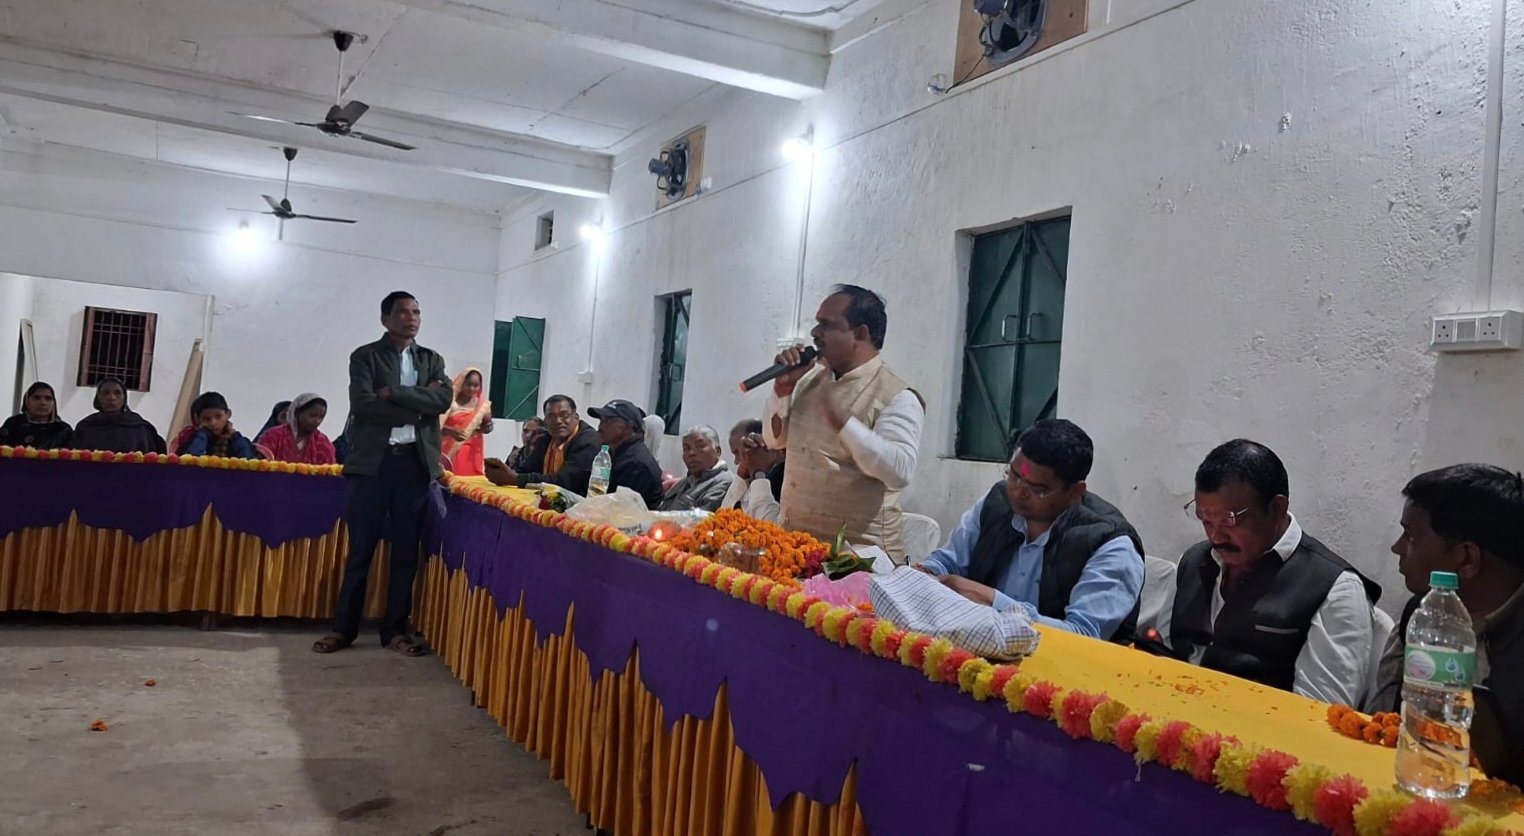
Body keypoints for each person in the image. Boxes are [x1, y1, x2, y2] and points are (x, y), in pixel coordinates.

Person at [1167, 439, 1380, 704]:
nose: (1215, 536)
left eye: (1229, 520)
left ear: (1277, 509)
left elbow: (1318, 712)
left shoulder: (1334, 589)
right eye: (1206, 520)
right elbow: (1166, 657)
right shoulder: (1195, 561)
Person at [917, 419, 1146, 642]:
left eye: (1038, 490)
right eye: (1014, 476)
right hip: (983, 648)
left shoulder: (1111, 545)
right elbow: (949, 561)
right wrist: (924, 573)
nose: (1018, 493)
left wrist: (992, 601)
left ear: (1076, 492)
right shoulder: (998, 502)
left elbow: (1082, 636)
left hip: (1066, 664)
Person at [314, 291, 450, 658]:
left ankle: (395, 632)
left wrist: (395, 393)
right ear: (385, 319)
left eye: (416, 311)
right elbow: (364, 406)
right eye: (403, 312)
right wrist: (416, 408)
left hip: (413, 466)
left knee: (405, 553)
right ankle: (343, 629)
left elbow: (442, 401)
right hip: (372, 466)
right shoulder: (366, 357)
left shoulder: (431, 359)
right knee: (361, 550)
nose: (412, 318)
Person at [1368, 464, 1524, 756]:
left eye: (1410, 537)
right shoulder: (1420, 615)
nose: (1396, 548)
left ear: (1467, 559)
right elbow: (1380, 727)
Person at [765, 285, 924, 561]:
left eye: (826, 325)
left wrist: (841, 422)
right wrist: (782, 389)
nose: (815, 333)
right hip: (796, 547)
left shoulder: (897, 395)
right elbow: (774, 441)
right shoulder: (809, 381)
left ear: (860, 334)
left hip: (859, 560)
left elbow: (899, 471)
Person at [484, 395, 598, 495]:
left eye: (564, 415)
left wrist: (516, 479)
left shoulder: (588, 440)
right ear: (546, 422)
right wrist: (502, 473)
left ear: (576, 417)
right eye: (551, 417)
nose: (558, 421)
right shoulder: (545, 438)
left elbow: (565, 481)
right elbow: (525, 469)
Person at [585, 399, 663, 508]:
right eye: (601, 420)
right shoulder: (613, 453)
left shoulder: (636, 464)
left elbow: (621, 511)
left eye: (609, 420)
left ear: (628, 427)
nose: (600, 426)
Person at [72, 378, 165, 453]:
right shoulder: (86, 427)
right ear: (98, 397)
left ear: (124, 398)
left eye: (117, 393)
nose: (111, 397)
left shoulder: (140, 429)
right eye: (105, 393)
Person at [718, 419, 786, 522]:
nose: (736, 461)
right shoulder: (749, 478)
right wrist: (741, 477)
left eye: (741, 452)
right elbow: (722, 517)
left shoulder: (784, 479)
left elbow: (768, 527)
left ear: (763, 445)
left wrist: (759, 474)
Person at [657, 426, 734, 512]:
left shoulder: (724, 482)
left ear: (717, 451)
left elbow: (702, 518)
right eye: (686, 448)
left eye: (699, 446)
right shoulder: (686, 481)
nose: (691, 453)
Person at [439, 367, 493, 476]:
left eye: (476, 385)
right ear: (461, 383)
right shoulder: (451, 403)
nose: (472, 389)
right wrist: (452, 431)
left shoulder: (482, 406)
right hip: (450, 450)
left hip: (473, 452)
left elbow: (487, 427)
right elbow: (437, 426)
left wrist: (487, 426)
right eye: (468, 385)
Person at [174, 392, 258, 458]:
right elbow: (189, 460)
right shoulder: (191, 439)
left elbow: (249, 462)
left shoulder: (238, 440)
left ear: (228, 414)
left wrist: (235, 437)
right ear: (197, 419)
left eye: (218, 416)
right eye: (206, 419)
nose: (213, 423)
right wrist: (202, 435)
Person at [260, 393, 336, 465]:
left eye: (320, 417)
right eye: (312, 416)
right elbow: (261, 465)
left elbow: (329, 470)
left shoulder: (323, 443)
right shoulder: (273, 436)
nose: (316, 421)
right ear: (297, 412)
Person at [0, 382, 72, 450]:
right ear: (27, 401)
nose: (43, 402)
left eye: (48, 398)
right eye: (36, 398)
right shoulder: (13, 424)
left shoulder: (64, 430)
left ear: (54, 403)